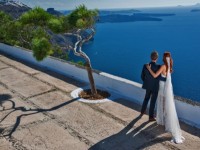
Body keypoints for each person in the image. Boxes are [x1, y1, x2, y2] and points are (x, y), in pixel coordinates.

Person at [146, 52, 185, 144]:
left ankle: (164, 121)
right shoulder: (170, 65)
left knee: (163, 104)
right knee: (167, 104)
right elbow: (170, 73)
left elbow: (155, 75)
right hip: (168, 87)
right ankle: (166, 121)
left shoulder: (163, 66)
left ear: (163, 58)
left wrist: (149, 68)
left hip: (163, 86)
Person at [141, 51, 161, 121]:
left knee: (146, 98)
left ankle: (142, 111)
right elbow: (160, 77)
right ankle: (151, 117)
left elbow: (142, 76)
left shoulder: (145, 65)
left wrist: (147, 82)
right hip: (155, 87)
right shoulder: (159, 67)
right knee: (153, 101)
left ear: (150, 57)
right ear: (157, 58)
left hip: (148, 85)